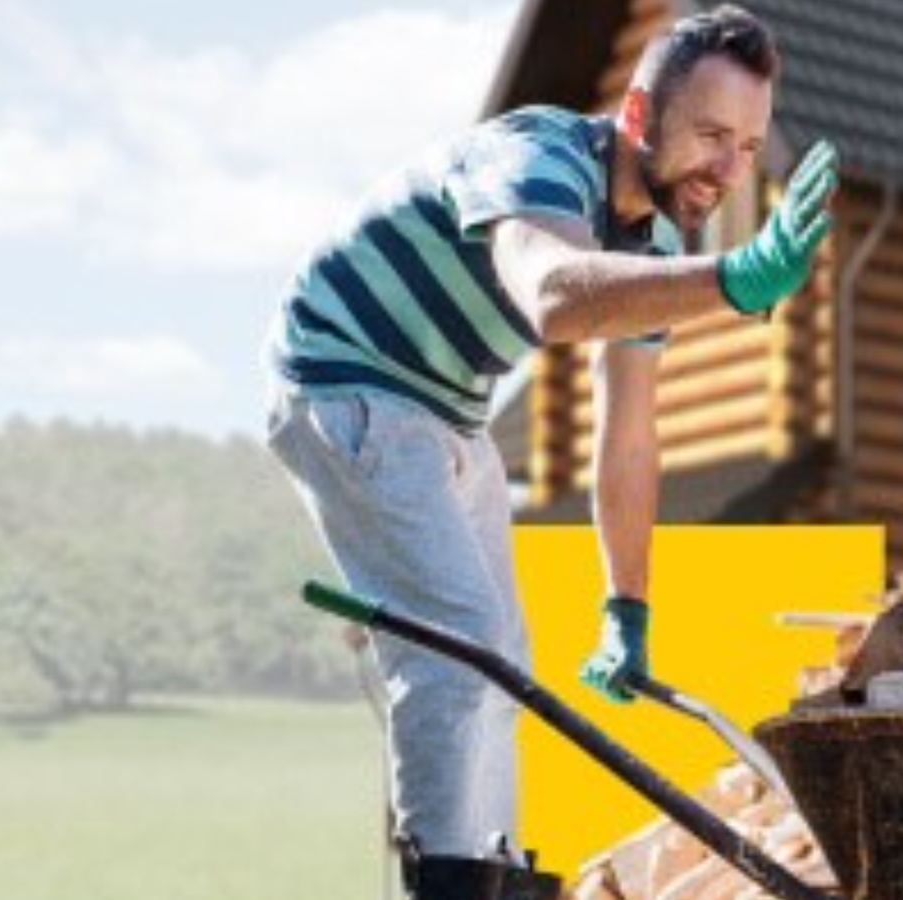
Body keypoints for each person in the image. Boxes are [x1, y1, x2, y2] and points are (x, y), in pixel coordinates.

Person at [263, 7, 837, 899]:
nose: (730, 171)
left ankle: (491, 866)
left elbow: (630, 432)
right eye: (713, 136)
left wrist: (627, 608)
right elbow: (554, 296)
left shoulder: (652, 242)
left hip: (449, 409)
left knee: (508, 664)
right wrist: (735, 279)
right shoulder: (538, 156)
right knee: (463, 644)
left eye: (749, 146)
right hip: (349, 381)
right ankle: (448, 881)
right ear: (641, 117)